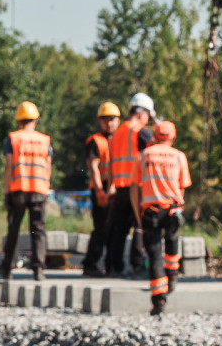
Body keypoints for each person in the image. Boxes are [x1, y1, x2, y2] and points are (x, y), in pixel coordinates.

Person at [132, 121, 192, 316]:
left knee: (155, 253)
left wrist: (137, 213)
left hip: (150, 210)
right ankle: (172, 275)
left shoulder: (143, 156)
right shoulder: (179, 156)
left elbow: (135, 188)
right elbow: (182, 186)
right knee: (172, 239)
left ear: (155, 136)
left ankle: (159, 299)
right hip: (173, 208)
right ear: (173, 137)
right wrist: (178, 206)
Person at [103, 93, 155, 276]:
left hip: (120, 186)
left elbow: (112, 162)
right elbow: (155, 154)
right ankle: (138, 264)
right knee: (140, 225)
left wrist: (110, 186)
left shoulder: (118, 132)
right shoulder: (141, 131)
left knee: (120, 228)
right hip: (137, 187)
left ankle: (114, 266)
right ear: (142, 114)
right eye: (148, 116)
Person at [0, 101, 53, 281]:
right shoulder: (44, 140)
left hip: (19, 190)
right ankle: (38, 269)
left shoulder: (13, 138)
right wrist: (46, 187)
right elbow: (48, 167)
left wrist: (7, 191)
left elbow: (9, 167)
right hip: (39, 189)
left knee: (14, 229)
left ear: (18, 121)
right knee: (38, 230)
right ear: (36, 120)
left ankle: (7, 268)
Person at [82, 101, 121, 277]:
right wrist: (100, 192)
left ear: (118, 120)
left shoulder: (120, 139)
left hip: (116, 187)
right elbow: (93, 168)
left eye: (112, 119)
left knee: (115, 229)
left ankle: (112, 265)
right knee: (101, 228)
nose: (109, 123)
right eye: (105, 120)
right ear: (100, 121)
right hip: (101, 187)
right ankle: (91, 264)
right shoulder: (95, 141)